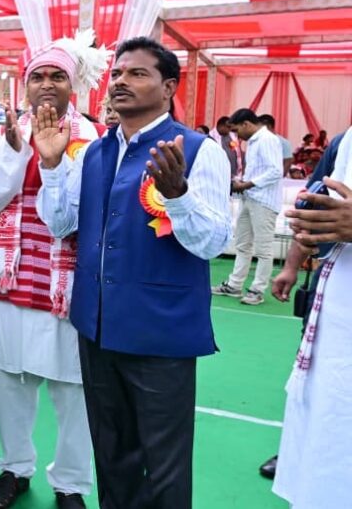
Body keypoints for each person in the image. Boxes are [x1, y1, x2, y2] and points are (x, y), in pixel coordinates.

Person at [36, 36, 232, 508]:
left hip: (160, 332)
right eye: (118, 73)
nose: (121, 81)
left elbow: (214, 242)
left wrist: (179, 194)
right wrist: (51, 164)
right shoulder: (94, 153)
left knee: (164, 463)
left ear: (168, 88)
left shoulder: (200, 151)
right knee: (113, 453)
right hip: (97, 327)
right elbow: (63, 224)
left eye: (137, 73)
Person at [0, 35, 107, 509]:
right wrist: (10, 152)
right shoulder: (3, 134)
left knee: (73, 393)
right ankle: (15, 470)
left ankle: (70, 485)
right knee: (10, 385)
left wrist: (50, 161)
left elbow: (81, 216)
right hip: (10, 281)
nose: (46, 85)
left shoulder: (97, 141)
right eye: (37, 77)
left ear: (75, 86)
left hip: (67, 286)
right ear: (25, 86)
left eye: (57, 76)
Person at [257, 130, 344, 482]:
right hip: (332, 282)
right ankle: (300, 445)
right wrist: (292, 265)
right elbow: (313, 201)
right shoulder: (344, 143)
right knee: (312, 370)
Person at [213, 108, 283, 306]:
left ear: (247, 124)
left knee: (264, 249)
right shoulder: (253, 141)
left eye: (236, 130)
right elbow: (259, 170)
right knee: (243, 245)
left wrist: (247, 184)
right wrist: (241, 182)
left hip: (264, 201)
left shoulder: (267, 140)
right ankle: (234, 285)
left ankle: (257, 290)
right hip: (249, 198)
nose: (236, 135)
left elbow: (275, 171)